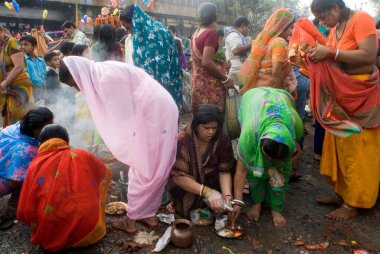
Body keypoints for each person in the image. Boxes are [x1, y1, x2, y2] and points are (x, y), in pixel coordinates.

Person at [59, 56, 178, 234]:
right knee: (155, 165)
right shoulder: (102, 69)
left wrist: (123, 147)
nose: (77, 88)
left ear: (79, 74)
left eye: (75, 83)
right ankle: (148, 215)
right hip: (160, 108)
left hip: (153, 113)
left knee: (142, 165)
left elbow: (123, 119)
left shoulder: (105, 79)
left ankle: (130, 223)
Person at [308, 0, 380, 221]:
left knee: (358, 148)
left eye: (322, 17)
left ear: (335, 8)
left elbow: (368, 57)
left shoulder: (361, 19)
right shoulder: (335, 28)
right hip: (341, 94)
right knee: (340, 144)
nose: (321, 22)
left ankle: (354, 202)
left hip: (360, 93)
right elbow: (332, 57)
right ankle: (341, 194)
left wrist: (330, 53)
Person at [17, 124, 111, 252]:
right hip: (89, 228)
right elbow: (105, 173)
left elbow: (26, 204)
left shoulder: (36, 163)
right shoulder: (83, 155)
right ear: (66, 140)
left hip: (50, 234)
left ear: (41, 142)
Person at [230, 87, 303, 227]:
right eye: (266, 156)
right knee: (254, 168)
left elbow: (296, 154)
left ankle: (276, 208)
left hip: (279, 97)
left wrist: (280, 167)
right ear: (260, 144)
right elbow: (241, 171)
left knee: (280, 173)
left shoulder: (295, 128)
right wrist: (238, 201)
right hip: (252, 99)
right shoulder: (250, 135)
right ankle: (257, 204)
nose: (269, 162)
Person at [168, 104, 235, 217]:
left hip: (213, 181)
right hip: (187, 184)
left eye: (214, 128)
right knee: (187, 206)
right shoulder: (182, 140)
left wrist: (227, 196)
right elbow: (178, 176)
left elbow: (225, 170)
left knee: (223, 203)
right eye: (206, 128)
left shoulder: (222, 138)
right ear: (196, 125)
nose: (211, 132)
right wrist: (207, 192)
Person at [120, 5, 182, 109]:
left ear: (136, 21)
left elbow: (162, 69)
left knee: (163, 116)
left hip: (164, 89)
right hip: (150, 90)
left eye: (128, 27)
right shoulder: (140, 36)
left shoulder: (158, 33)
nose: (128, 32)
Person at [0, 107, 53, 229]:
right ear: (34, 129)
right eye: (45, 128)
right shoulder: (24, 150)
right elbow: (13, 182)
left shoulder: (16, 128)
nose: (49, 130)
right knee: (32, 178)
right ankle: (11, 210)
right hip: (5, 179)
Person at [238, 9, 297, 95]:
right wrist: (281, 93)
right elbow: (276, 71)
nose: (292, 32)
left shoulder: (260, 41)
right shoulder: (279, 42)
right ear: (283, 26)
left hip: (257, 90)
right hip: (272, 92)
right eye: (291, 27)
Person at [191, 3, 234, 112]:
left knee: (201, 118)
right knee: (213, 116)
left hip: (197, 82)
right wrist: (225, 78)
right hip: (210, 84)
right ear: (215, 16)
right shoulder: (210, 33)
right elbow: (206, 61)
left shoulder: (196, 33)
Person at [0, 26, 34, 127]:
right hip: (6, 87)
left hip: (18, 86)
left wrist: (4, 84)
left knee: (19, 119)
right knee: (10, 118)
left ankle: (22, 142)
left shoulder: (12, 42)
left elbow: (19, 67)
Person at [225, 16, 252, 87]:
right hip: (236, 72)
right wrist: (252, 44)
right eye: (248, 28)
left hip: (240, 72)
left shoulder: (239, 36)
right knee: (237, 94)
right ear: (243, 26)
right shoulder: (234, 35)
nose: (248, 30)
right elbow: (236, 50)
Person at [20, 35, 47, 104]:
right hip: (29, 91)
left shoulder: (41, 60)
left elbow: (44, 77)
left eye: (26, 44)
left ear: (34, 46)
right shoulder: (22, 60)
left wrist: (45, 92)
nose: (23, 47)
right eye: (21, 44)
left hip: (41, 89)